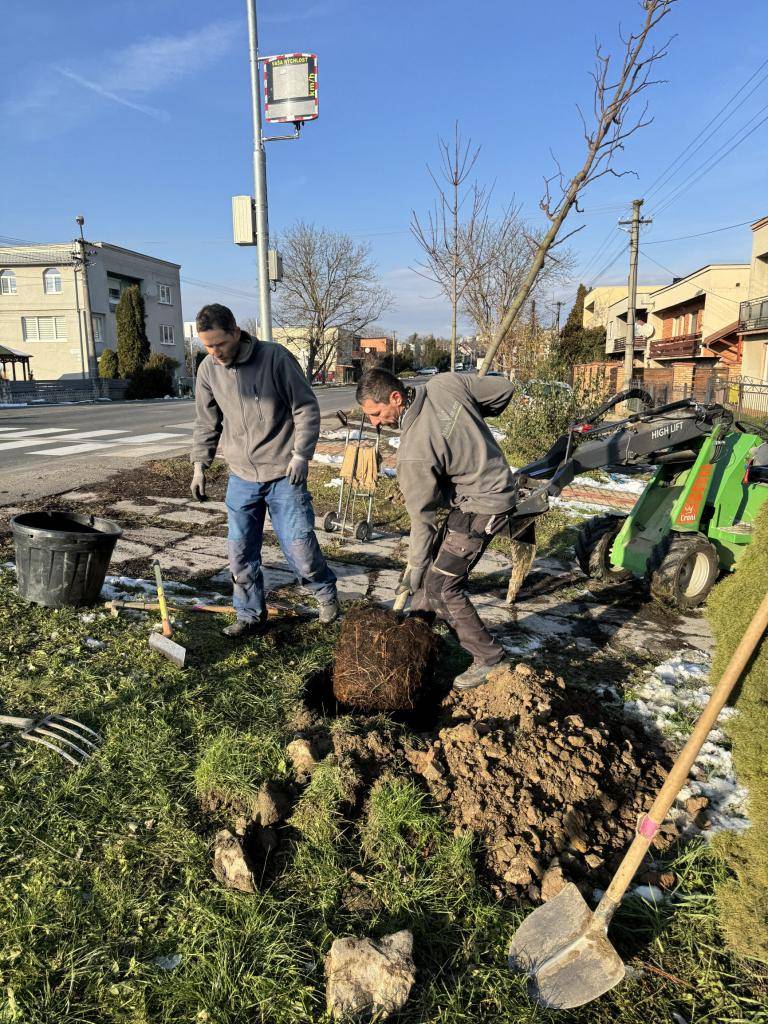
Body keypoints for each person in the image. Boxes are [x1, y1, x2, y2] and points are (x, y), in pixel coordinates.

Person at [357, 367, 519, 690]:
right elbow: (504, 390)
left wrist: (414, 569)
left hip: (485, 503)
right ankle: (416, 635)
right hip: (476, 496)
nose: (375, 423)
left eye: (376, 414)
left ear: (395, 398)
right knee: (435, 568)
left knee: (442, 586)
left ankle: (491, 659)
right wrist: (469, 413)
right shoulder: (445, 383)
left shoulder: (413, 453)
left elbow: (423, 521)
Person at [190, 304, 339, 637]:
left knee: (300, 547)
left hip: (285, 473)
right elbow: (206, 422)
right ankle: (249, 614)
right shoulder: (208, 370)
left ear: (236, 332)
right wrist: (200, 466)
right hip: (241, 476)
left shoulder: (275, 358)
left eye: (220, 344)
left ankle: (325, 595)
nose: (214, 353)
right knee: (240, 551)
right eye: (207, 346)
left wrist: (302, 454)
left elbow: (305, 407)